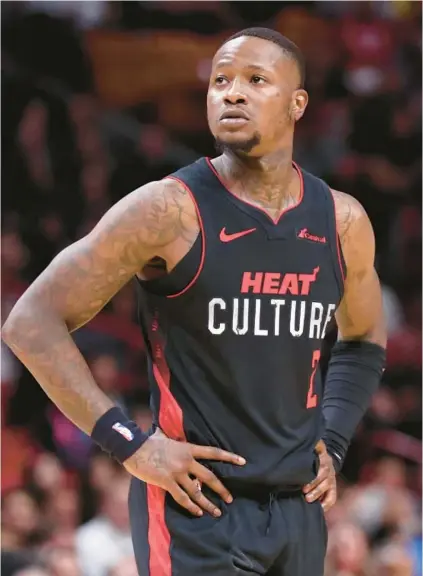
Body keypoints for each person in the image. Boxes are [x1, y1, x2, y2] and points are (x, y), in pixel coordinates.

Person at [2, 27, 386, 576]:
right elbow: (30, 321)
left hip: (298, 510)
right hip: (197, 508)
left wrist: (335, 437)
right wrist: (130, 445)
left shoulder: (341, 221)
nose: (232, 92)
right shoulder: (168, 210)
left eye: (256, 80)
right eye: (221, 80)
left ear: (298, 103)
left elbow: (363, 340)